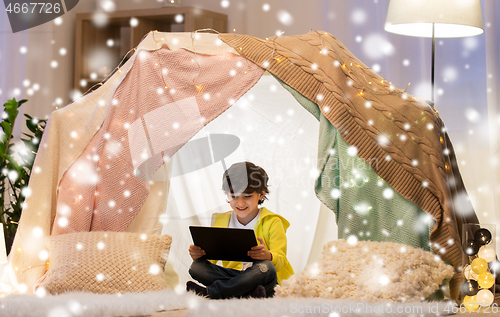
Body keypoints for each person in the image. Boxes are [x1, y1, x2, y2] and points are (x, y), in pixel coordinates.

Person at [187, 161, 294, 299]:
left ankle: (213, 292)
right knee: (196, 267)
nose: (240, 202)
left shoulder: (273, 221)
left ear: (261, 194)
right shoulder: (220, 221)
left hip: (262, 277)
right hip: (240, 278)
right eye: (234, 196)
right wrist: (199, 254)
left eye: (247, 196)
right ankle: (247, 293)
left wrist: (267, 255)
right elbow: (210, 260)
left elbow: (281, 261)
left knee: (266, 268)